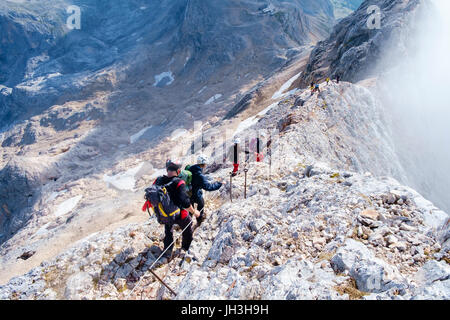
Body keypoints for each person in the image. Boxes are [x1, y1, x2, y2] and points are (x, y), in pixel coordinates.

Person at [145, 160, 200, 260]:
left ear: (167, 170)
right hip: (177, 214)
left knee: (168, 230)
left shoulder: (159, 180)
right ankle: (185, 247)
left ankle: (168, 251)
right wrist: (194, 212)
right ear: (178, 171)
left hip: (163, 215)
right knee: (187, 224)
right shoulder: (179, 182)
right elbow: (185, 202)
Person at [187, 155, 223, 226]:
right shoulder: (200, 176)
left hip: (188, 193)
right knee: (201, 205)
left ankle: (188, 224)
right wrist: (219, 183)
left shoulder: (190, 169)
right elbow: (208, 187)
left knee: (190, 210)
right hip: (197, 194)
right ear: (204, 164)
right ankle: (199, 221)